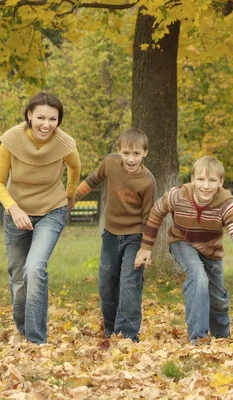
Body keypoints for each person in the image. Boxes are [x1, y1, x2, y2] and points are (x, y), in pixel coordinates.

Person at [134, 156, 233, 345]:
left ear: (220, 182)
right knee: (198, 277)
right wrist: (146, 248)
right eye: (201, 179)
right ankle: (198, 338)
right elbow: (157, 211)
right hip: (181, 242)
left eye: (212, 180)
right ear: (192, 179)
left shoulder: (226, 206)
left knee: (218, 299)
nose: (206, 186)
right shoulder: (178, 195)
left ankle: (222, 336)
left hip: (211, 251)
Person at [0, 91, 81, 344]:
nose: (46, 124)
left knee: (35, 269)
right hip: (17, 213)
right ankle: (23, 330)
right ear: (29, 115)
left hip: (52, 211)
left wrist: (70, 195)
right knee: (18, 276)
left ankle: (36, 340)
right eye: (40, 117)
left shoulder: (64, 144)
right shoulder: (11, 141)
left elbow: (75, 166)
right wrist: (14, 209)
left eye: (53, 119)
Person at [75, 128, 155, 346]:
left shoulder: (147, 181)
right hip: (110, 235)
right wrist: (72, 198)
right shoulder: (110, 163)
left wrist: (146, 248)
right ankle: (111, 329)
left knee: (130, 284)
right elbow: (93, 179)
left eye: (136, 154)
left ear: (145, 153)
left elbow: (150, 218)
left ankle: (127, 335)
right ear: (119, 150)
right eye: (126, 153)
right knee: (106, 284)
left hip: (135, 239)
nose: (131, 159)